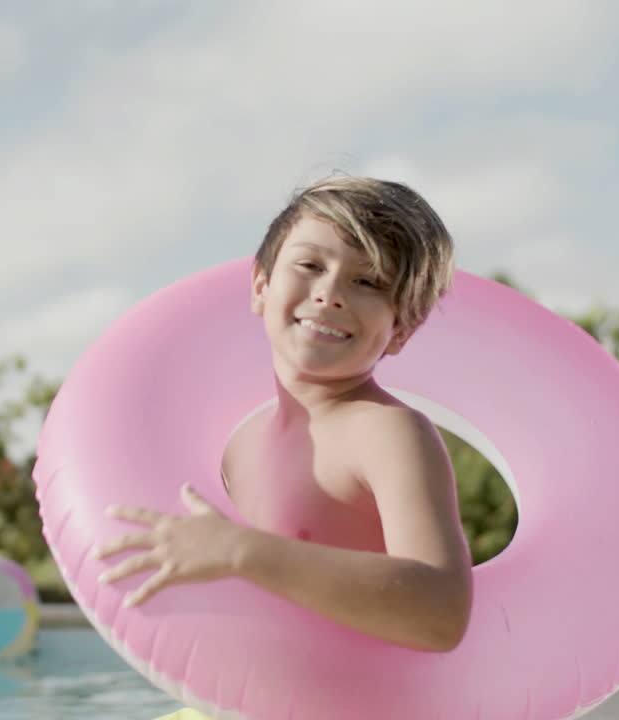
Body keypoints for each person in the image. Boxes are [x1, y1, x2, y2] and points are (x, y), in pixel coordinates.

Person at [93, 175, 474, 718]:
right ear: (260, 286)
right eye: (311, 265)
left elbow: (441, 611)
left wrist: (240, 551)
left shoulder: (386, 431)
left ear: (400, 331)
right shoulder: (241, 442)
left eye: (369, 282)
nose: (331, 292)